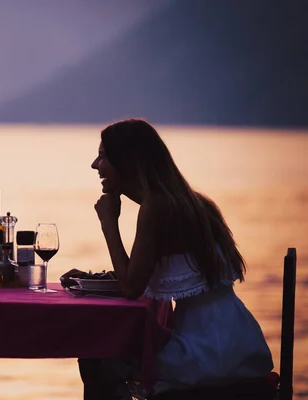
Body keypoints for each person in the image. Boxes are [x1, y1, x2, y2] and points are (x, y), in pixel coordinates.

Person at [67, 119, 274, 400]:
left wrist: (108, 223)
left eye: (103, 156)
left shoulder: (156, 208)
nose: (95, 164)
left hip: (204, 353)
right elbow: (158, 273)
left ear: (126, 161)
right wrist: (99, 278)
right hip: (236, 338)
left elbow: (132, 288)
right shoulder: (193, 202)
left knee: (97, 350)